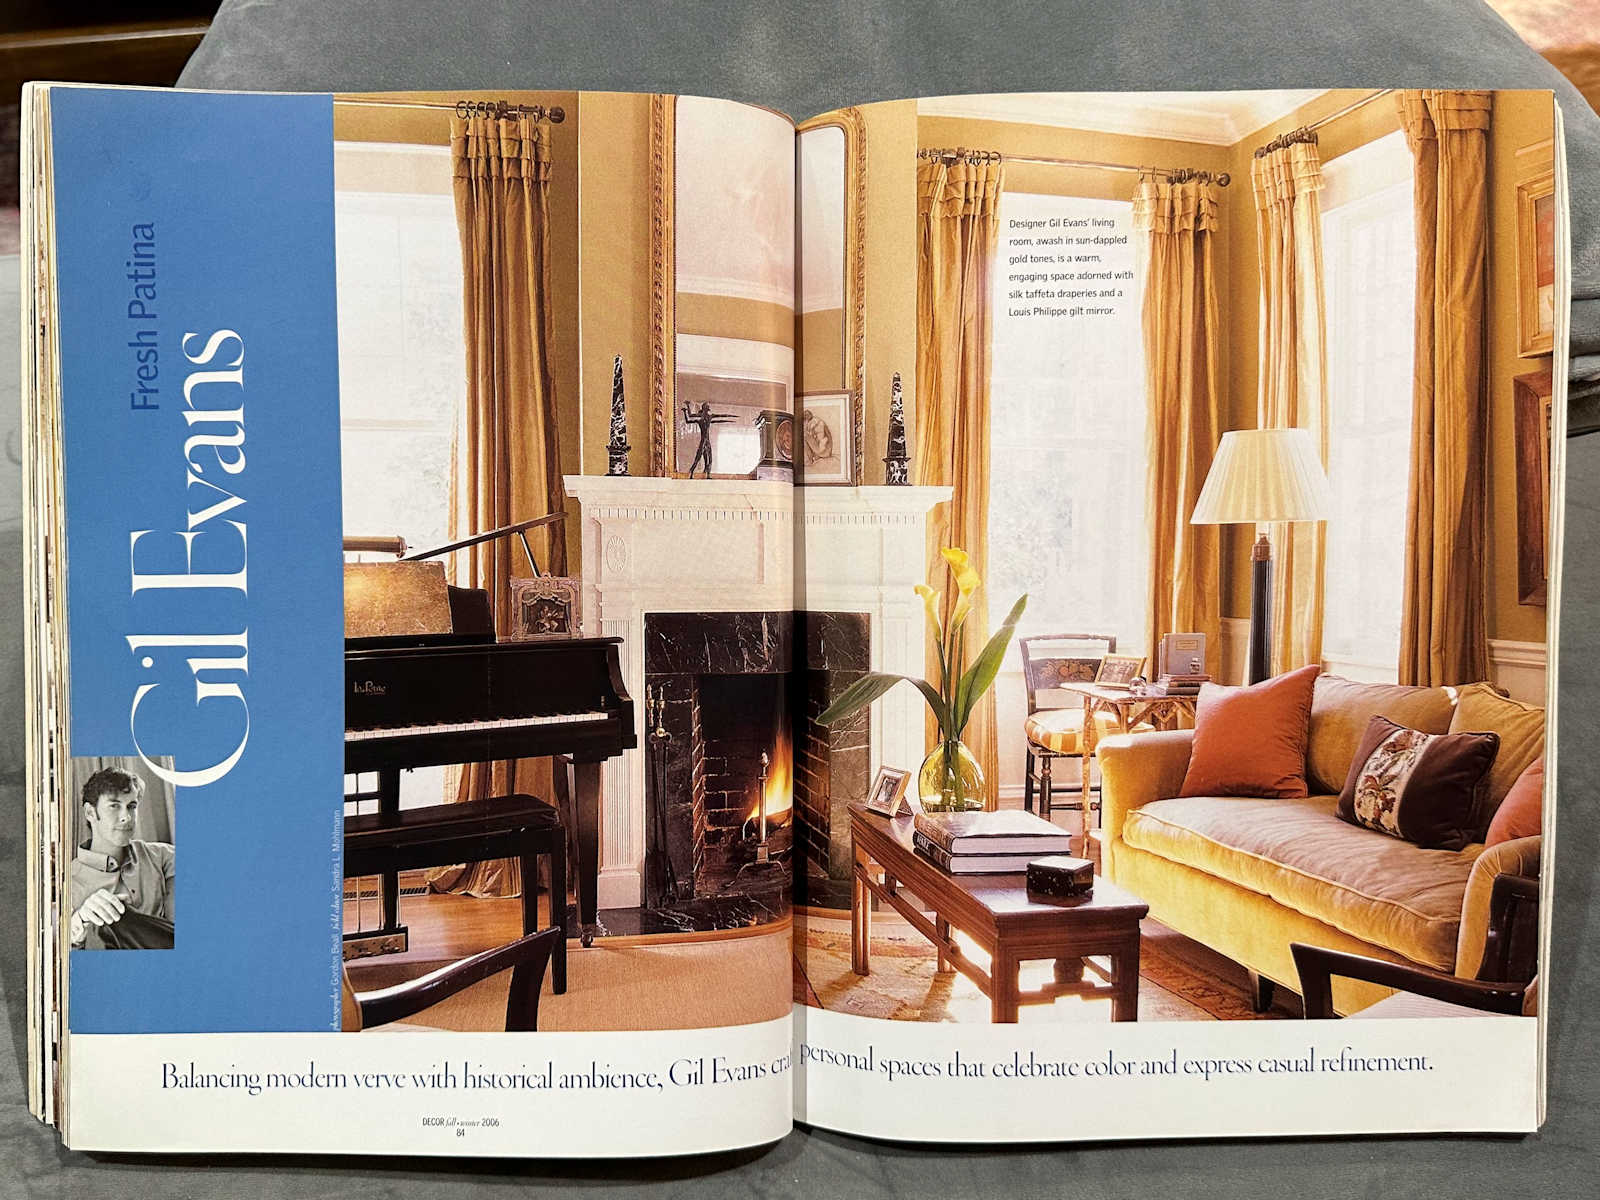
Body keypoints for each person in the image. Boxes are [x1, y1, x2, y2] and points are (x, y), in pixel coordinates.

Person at [67, 767, 174, 950]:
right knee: (101, 925)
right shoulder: (68, 881)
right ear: (90, 813)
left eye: (131, 806)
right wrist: (79, 921)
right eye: (114, 806)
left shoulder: (163, 856)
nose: (126, 817)